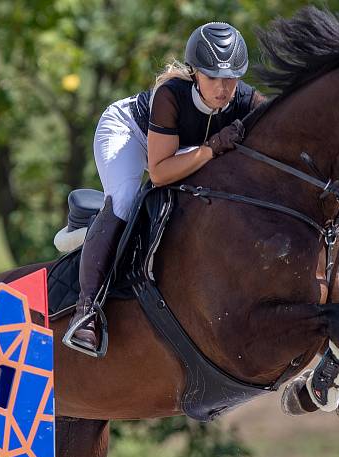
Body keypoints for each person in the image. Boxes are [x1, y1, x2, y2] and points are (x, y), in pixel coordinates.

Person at [64, 22, 267, 353]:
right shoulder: (170, 96)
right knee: (126, 200)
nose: (223, 87)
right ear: (195, 73)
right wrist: (211, 149)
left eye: (231, 77)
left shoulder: (245, 99)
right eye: (213, 77)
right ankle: (86, 313)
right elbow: (158, 173)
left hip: (179, 149)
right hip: (129, 134)